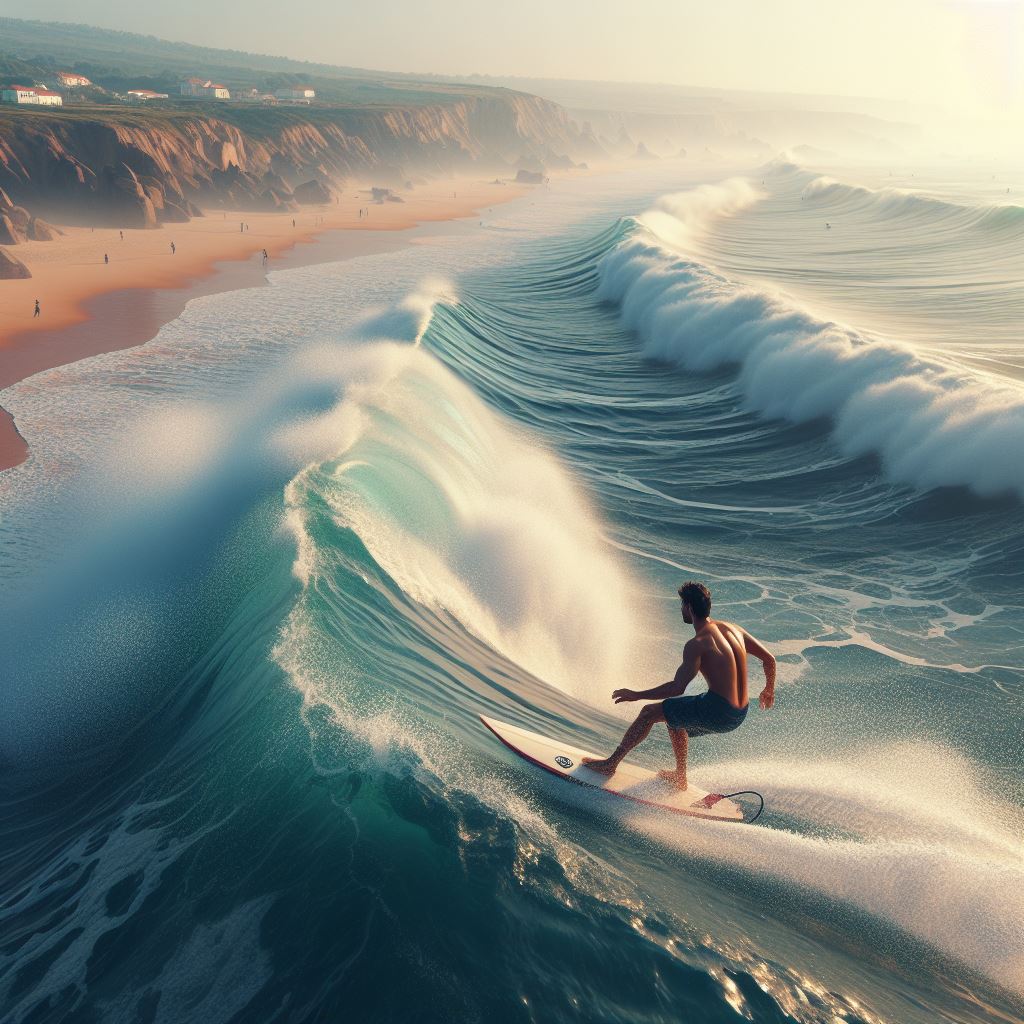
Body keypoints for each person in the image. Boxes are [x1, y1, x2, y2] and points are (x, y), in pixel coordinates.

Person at [582, 581, 776, 790]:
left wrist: (636, 694)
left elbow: (677, 687)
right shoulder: (734, 630)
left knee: (649, 712)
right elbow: (769, 659)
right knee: (674, 716)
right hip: (740, 713)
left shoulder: (698, 643)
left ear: (690, 608)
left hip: (719, 711)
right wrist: (768, 689)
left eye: (682, 604)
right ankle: (680, 777)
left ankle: (609, 765)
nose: (681, 609)